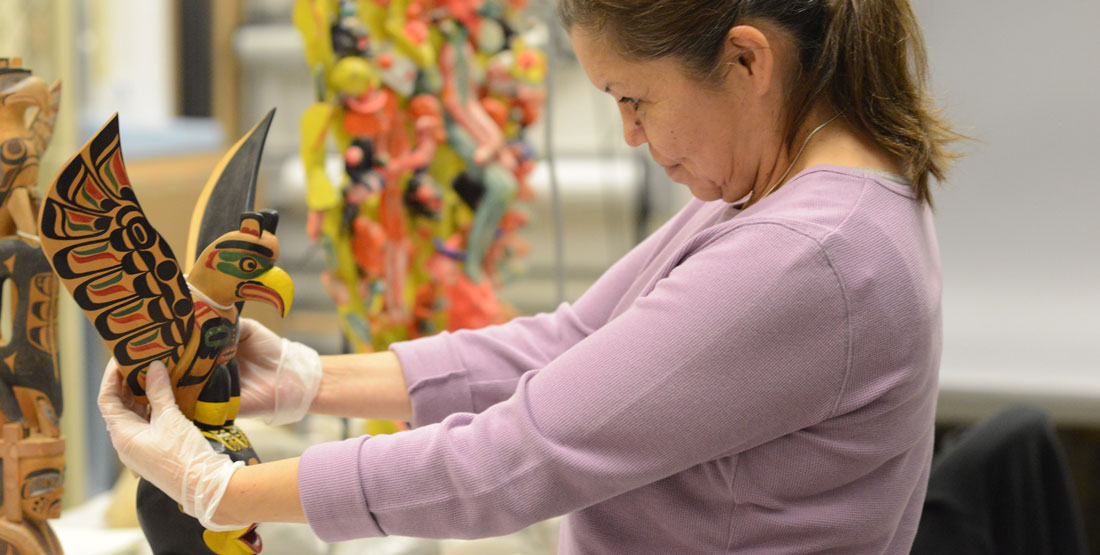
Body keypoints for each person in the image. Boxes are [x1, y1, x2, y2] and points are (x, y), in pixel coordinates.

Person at [98, 0, 962, 552]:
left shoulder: (806, 255)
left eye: (635, 99)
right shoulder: (781, 195)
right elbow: (574, 345)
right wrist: (307, 379)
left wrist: (223, 490)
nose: (630, 135)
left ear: (746, 60)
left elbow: (517, 457)